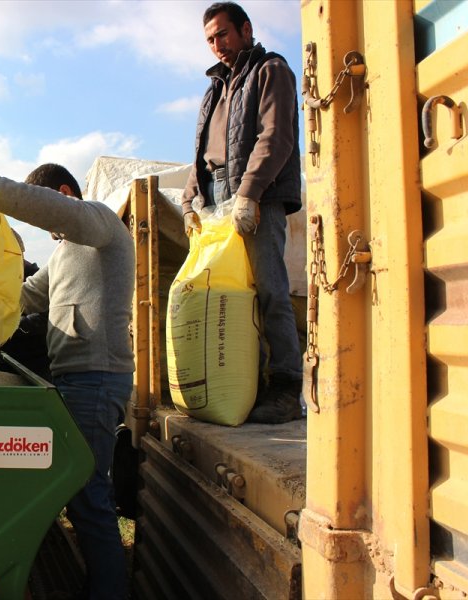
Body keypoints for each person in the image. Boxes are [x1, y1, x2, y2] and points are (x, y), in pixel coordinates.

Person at [0, 162, 134, 600]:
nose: (50, 230)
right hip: (74, 379)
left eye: (52, 217)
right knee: (77, 493)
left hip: (96, 378)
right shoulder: (64, 251)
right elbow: (27, 295)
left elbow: (52, 212)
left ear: (65, 194)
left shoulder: (99, 221)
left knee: (89, 499)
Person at [181, 1, 304, 424]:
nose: (217, 45)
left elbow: (276, 137)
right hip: (217, 197)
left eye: (223, 35)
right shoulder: (213, 89)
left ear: (246, 29)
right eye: (210, 39)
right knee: (230, 297)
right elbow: (202, 154)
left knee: (270, 288)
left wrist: (249, 195)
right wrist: (189, 201)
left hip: (260, 195)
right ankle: (244, 387)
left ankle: (286, 386)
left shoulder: (271, 70)